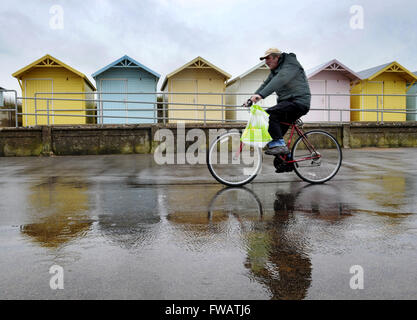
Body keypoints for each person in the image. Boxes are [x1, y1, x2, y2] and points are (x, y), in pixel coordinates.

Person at [246, 48, 311, 156]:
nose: (266, 61)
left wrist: (261, 96)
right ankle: (287, 162)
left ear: (277, 57)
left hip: (298, 102)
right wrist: (251, 98)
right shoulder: (275, 71)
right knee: (274, 135)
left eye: (268, 58)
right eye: (264, 59)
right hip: (286, 104)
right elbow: (266, 84)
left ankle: (280, 145)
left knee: (270, 114)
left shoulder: (291, 64)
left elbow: (280, 79)